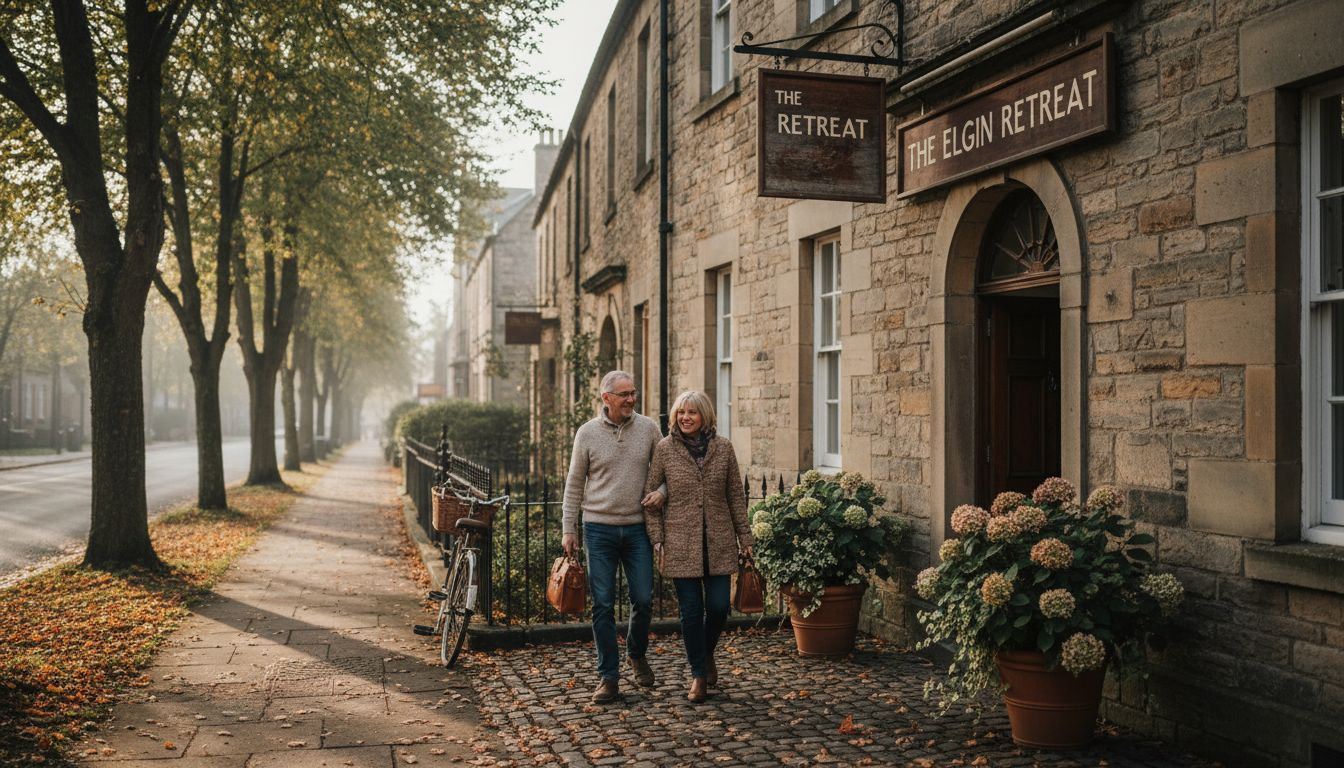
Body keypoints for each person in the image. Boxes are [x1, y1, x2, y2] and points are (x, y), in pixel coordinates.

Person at [562, 370, 666, 704]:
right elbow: (575, 483)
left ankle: (636, 653)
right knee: (603, 605)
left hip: (637, 528)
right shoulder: (587, 434)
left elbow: (668, 472)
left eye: (633, 393)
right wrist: (569, 529)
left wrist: (662, 491)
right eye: (624, 394)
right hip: (598, 529)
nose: (631, 399)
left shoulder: (649, 429)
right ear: (606, 398)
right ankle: (608, 677)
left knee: (643, 598)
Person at [643, 390, 752, 703]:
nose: (685, 418)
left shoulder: (724, 448)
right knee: (690, 613)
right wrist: (657, 537)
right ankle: (698, 675)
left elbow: (735, 496)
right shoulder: (665, 450)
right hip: (680, 543)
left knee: (719, 607)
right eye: (680, 413)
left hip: (718, 541)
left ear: (705, 416)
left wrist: (745, 537)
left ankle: (706, 654)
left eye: (692, 412)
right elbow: (651, 498)